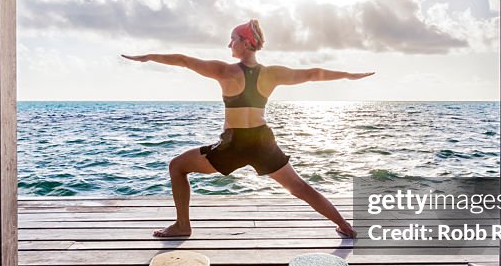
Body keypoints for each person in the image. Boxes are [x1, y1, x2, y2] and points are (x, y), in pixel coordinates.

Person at [122, 19, 373, 239]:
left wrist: (147, 57)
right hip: (262, 140)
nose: (228, 44)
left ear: (244, 42)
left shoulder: (225, 71)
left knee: (177, 166)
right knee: (299, 187)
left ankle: (182, 226)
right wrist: (349, 75)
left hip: (234, 144)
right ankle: (344, 226)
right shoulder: (272, 74)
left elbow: (184, 61)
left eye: (232, 39)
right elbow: (312, 73)